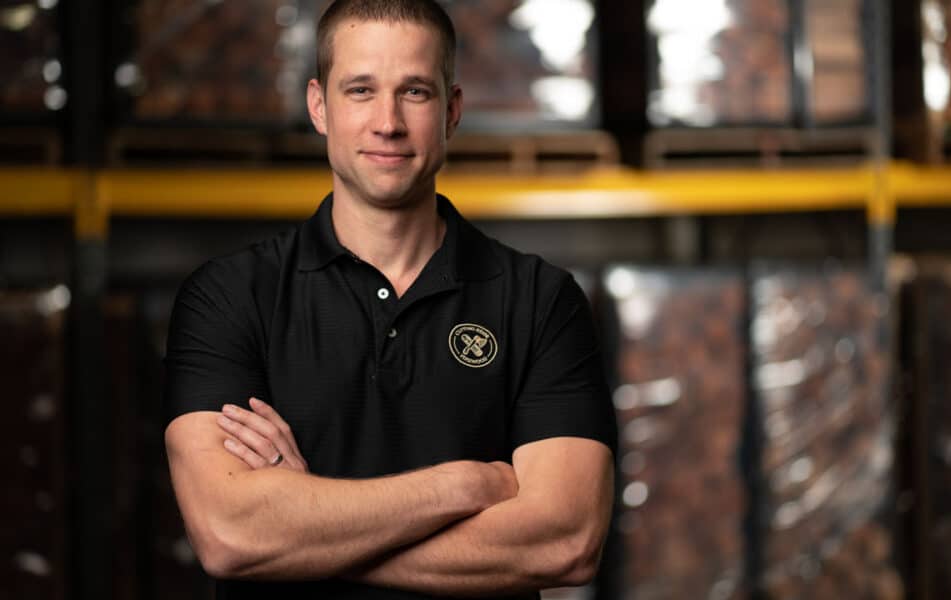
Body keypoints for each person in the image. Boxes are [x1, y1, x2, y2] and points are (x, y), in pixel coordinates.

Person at [162, 1, 617, 598]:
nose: (387, 122)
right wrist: (460, 487)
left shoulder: (539, 300)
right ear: (318, 106)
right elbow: (229, 533)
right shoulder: (228, 297)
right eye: (359, 90)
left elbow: (565, 542)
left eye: (415, 93)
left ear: (452, 111)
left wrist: (305, 532)